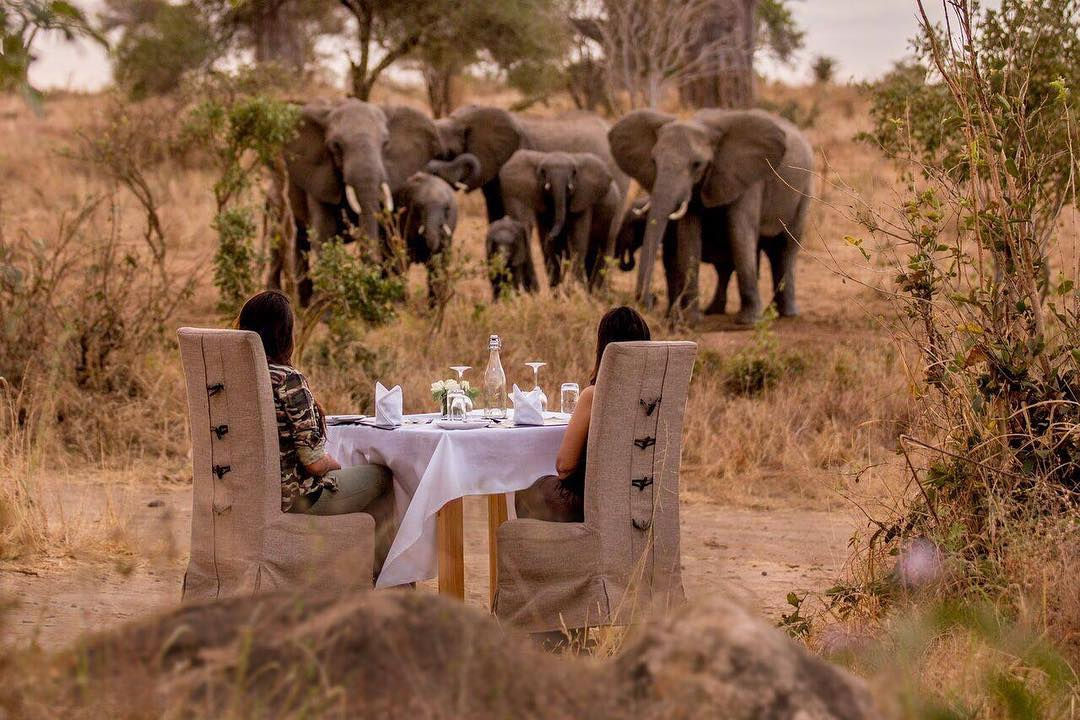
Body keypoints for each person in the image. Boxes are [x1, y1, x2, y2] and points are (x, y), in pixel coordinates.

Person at [237, 290, 395, 573]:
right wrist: (336, 465)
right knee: (381, 477)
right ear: (285, 334)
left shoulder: (234, 379)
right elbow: (313, 462)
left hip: (245, 495)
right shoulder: (288, 379)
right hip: (295, 498)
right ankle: (385, 582)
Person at [514, 306, 652, 523]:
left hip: (592, 504)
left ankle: (558, 555)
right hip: (639, 499)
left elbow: (564, 467)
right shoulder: (654, 398)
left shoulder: (595, 395)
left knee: (527, 493)